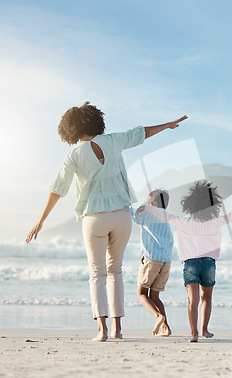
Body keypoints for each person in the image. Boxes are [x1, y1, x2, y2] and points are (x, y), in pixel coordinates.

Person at [26, 101, 187, 341]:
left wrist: (40, 220)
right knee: (116, 272)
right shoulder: (113, 140)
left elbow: (58, 188)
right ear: (95, 121)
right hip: (122, 215)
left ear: (69, 129)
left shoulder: (73, 154)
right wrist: (168, 125)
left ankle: (101, 330)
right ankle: (117, 329)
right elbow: (141, 133)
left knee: (97, 273)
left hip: (94, 218)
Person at [138, 180, 232, 342]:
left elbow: (165, 215)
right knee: (207, 298)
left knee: (193, 300)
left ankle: (194, 333)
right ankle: (205, 329)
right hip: (209, 264)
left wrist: (148, 207)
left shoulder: (184, 222)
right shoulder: (216, 221)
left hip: (190, 264)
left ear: (190, 205)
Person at [131, 188, 174, 336]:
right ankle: (166, 328)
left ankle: (158, 316)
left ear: (151, 203)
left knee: (141, 293)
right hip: (166, 261)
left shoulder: (146, 214)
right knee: (155, 297)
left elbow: (131, 212)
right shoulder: (168, 217)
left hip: (151, 259)